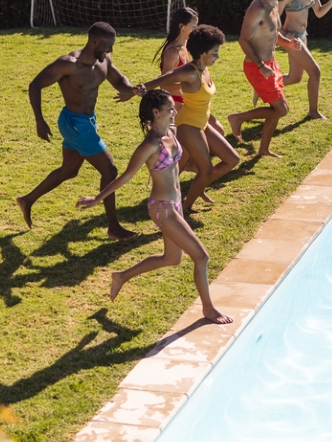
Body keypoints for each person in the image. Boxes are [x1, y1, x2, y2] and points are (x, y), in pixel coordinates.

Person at [77, 89, 233, 324]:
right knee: (201, 257)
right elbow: (126, 176)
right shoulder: (149, 145)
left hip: (176, 203)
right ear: (155, 112)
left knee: (172, 259)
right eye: (170, 108)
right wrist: (97, 199)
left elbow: (178, 165)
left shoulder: (172, 132)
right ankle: (209, 309)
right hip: (162, 208)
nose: (174, 112)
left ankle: (121, 276)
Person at [16, 22, 139, 241]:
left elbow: (119, 81)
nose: (110, 50)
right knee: (109, 171)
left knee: (69, 171)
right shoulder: (68, 64)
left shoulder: (104, 62)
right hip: (74, 123)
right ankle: (113, 227)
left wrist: (133, 90)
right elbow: (35, 85)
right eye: (108, 45)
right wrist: (39, 121)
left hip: (87, 121)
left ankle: (27, 200)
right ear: (94, 41)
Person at [134, 25, 239, 213]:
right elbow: (160, 80)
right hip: (189, 126)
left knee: (232, 159)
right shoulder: (190, 71)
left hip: (202, 122)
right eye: (215, 52)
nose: (218, 56)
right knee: (205, 169)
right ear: (203, 52)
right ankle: (184, 209)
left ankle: (197, 188)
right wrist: (137, 90)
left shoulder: (203, 67)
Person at [227, 0, 302, 158]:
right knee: (282, 109)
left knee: (276, 109)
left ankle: (263, 149)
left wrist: (289, 44)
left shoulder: (275, 4)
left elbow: (272, 33)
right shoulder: (258, 8)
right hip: (257, 66)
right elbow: (243, 40)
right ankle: (237, 118)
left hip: (271, 64)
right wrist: (261, 66)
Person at [153, 6, 199, 110]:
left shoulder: (185, 44)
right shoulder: (172, 53)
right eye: (193, 27)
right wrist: (189, 83)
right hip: (175, 102)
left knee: (217, 127)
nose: (196, 30)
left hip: (188, 98)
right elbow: (163, 84)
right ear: (182, 26)